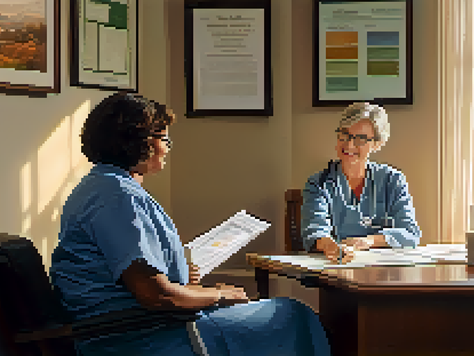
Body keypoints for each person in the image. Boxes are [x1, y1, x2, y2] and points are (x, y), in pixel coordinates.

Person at [49, 92, 331, 356]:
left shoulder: (99, 186)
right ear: (137, 141)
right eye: (164, 139)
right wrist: (217, 295)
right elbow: (155, 294)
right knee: (292, 315)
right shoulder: (117, 197)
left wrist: (194, 286)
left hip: (134, 325)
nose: (167, 148)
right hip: (141, 337)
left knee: (269, 310)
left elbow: (143, 279)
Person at [301, 102, 422, 263]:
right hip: (335, 269)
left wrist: (369, 241)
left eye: (360, 139)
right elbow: (315, 231)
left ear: (377, 144)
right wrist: (332, 248)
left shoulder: (392, 180)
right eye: (345, 135)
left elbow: (410, 233)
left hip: (384, 273)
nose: (349, 145)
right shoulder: (318, 183)